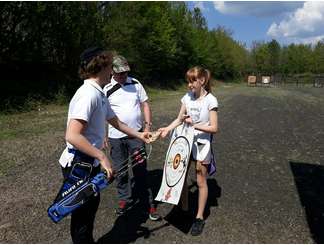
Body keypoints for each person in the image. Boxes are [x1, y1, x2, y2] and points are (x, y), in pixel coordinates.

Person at [58, 47, 151, 243]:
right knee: (82, 218)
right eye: (110, 66)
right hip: (78, 165)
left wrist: (141, 135)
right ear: (100, 67)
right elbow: (72, 135)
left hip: (88, 163)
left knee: (90, 210)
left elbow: (117, 123)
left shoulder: (99, 94)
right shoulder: (88, 95)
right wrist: (102, 156)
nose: (113, 71)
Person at [158, 66, 218, 236]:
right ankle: (183, 209)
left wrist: (194, 125)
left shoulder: (211, 100)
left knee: (200, 181)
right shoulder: (187, 98)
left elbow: (214, 128)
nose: (190, 85)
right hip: (185, 144)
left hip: (201, 146)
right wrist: (167, 129)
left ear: (202, 81)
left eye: (193, 81)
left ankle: (199, 217)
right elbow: (179, 119)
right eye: (188, 81)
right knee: (180, 178)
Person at [103, 54, 160, 221]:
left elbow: (145, 104)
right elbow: (102, 114)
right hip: (116, 138)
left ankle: (148, 203)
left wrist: (148, 125)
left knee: (141, 170)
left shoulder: (135, 83)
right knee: (120, 171)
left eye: (125, 72)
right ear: (112, 71)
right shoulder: (106, 88)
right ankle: (124, 200)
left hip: (137, 135)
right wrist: (103, 135)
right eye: (119, 73)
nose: (123, 76)